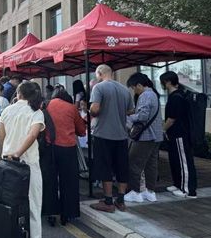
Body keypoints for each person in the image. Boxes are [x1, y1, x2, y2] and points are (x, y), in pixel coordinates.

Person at [0, 81, 50, 238]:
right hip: (28, 165)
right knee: (33, 208)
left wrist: (3, 157)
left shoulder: (7, 111)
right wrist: (18, 153)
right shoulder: (36, 112)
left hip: (7, 165)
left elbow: (1, 137)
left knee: (10, 207)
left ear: (18, 93)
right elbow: (32, 135)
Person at [89, 64, 134, 213]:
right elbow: (130, 110)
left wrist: (91, 110)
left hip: (103, 134)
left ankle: (108, 201)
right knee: (122, 167)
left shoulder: (98, 87)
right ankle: (121, 201)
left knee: (105, 167)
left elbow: (95, 109)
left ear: (99, 73)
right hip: (121, 135)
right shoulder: (125, 90)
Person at [45, 86, 87, 224]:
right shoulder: (71, 108)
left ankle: (51, 213)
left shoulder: (46, 105)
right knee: (69, 181)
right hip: (67, 148)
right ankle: (67, 214)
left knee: (50, 181)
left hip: (49, 147)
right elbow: (81, 130)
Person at [124, 73, 163, 203]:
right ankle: (150, 192)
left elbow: (142, 116)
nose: (134, 91)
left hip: (145, 136)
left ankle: (135, 192)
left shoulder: (145, 95)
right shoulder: (154, 94)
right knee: (151, 164)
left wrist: (128, 117)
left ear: (139, 85)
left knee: (133, 162)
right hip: (156, 135)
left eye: (133, 88)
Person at [160, 71, 198, 198]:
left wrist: (163, 129)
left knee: (184, 162)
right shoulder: (177, 95)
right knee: (176, 160)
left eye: (162, 82)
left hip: (180, 134)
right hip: (175, 134)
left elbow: (172, 119)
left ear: (168, 82)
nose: (162, 85)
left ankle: (188, 190)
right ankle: (178, 184)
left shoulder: (176, 97)